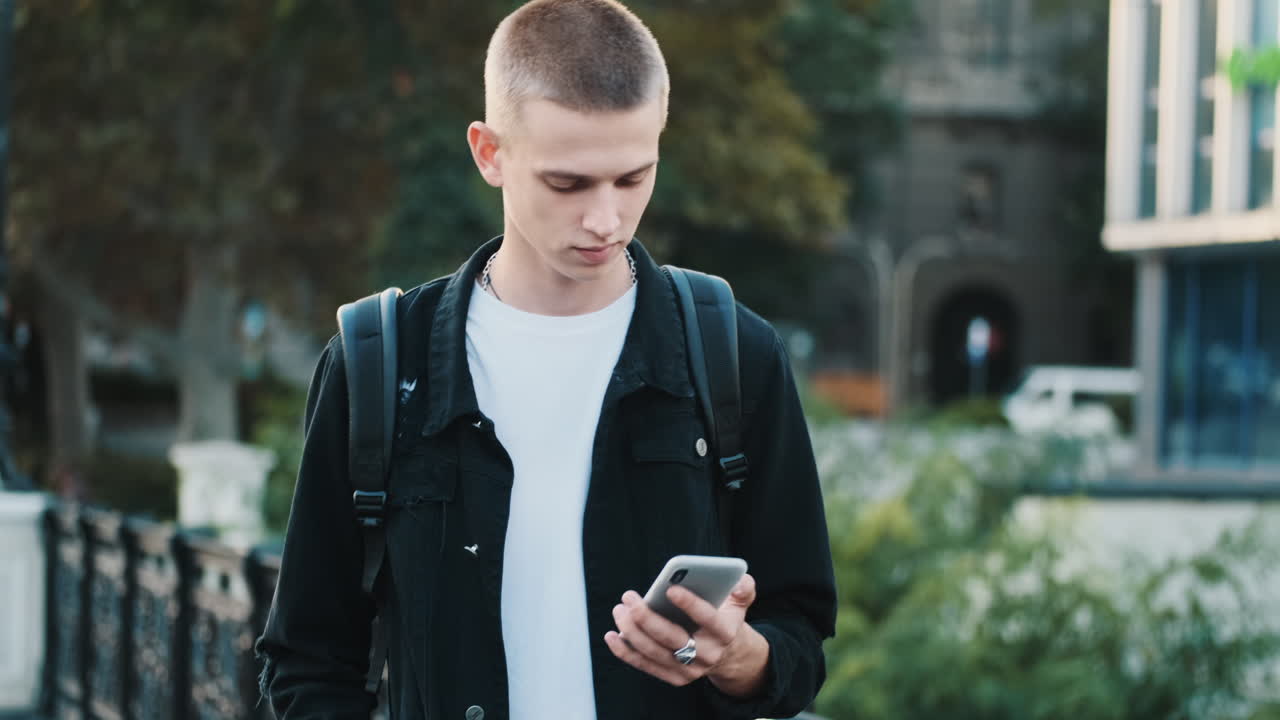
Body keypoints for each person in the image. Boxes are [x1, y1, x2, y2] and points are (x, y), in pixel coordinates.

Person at [254, 1, 836, 718]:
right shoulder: (378, 361)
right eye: (568, 184)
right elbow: (306, 660)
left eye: (632, 178)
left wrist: (743, 658)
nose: (606, 220)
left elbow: (801, 634)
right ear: (489, 152)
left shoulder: (734, 351)